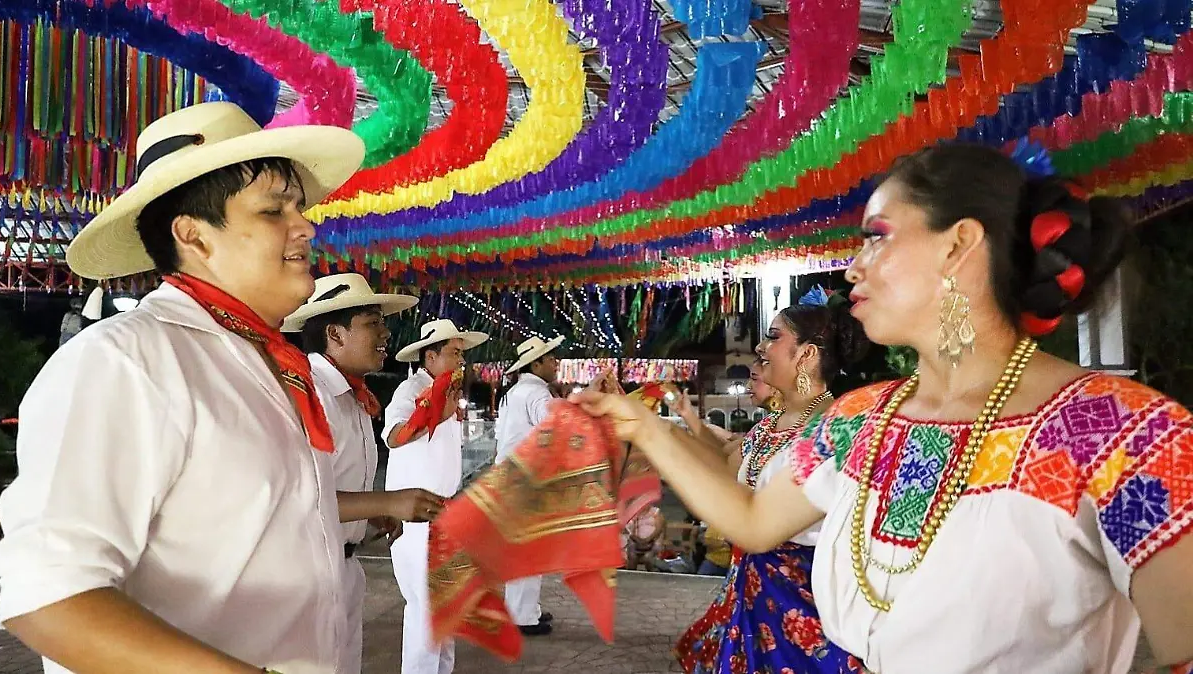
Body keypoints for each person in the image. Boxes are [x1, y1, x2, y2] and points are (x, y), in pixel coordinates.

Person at [574, 143, 1193, 673]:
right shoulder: (860, 418)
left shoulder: (1128, 435)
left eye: (876, 237)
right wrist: (645, 428)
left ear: (958, 246)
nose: (852, 269)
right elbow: (754, 519)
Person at [0, 101, 430, 673]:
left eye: (299, 208)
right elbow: (50, 599)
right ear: (194, 237)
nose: (306, 227)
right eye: (274, 209)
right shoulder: (126, 361)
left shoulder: (267, 365)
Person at [674, 303, 868, 674]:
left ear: (806, 354)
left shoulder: (835, 427)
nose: (761, 348)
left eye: (774, 337)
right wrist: (661, 431)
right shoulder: (767, 428)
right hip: (748, 591)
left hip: (802, 601)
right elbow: (724, 476)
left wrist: (651, 433)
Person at [282, 273, 443, 674]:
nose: (386, 334)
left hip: (342, 568)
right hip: (307, 573)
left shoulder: (350, 396)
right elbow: (297, 497)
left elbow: (334, 481)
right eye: (373, 323)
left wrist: (370, 511)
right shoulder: (311, 394)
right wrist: (387, 501)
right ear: (335, 334)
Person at [385, 319, 489, 674]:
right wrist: (432, 412)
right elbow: (394, 436)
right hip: (417, 515)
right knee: (425, 609)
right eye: (454, 352)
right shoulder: (411, 389)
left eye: (462, 353)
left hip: (442, 513)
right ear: (430, 357)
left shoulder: (447, 393)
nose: (461, 360)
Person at [494, 335, 566, 636]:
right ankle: (522, 616)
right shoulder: (537, 394)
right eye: (550, 359)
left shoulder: (514, 392)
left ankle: (524, 610)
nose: (555, 363)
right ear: (536, 364)